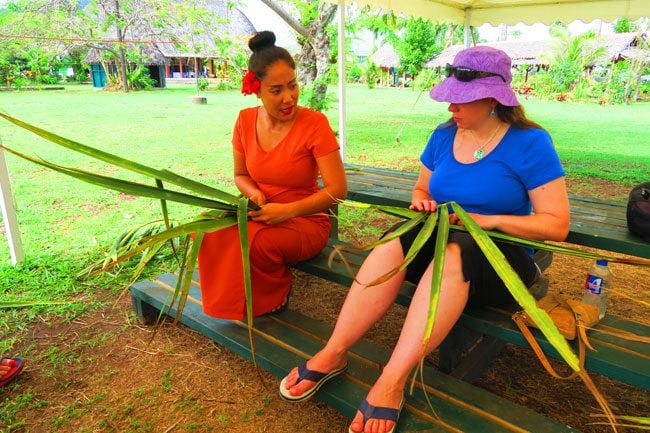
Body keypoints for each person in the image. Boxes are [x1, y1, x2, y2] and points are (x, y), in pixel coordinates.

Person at [279, 46, 570, 433]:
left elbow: (556, 225)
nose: (451, 107)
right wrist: (422, 201)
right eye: (450, 97)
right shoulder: (444, 135)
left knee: (455, 251)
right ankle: (334, 352)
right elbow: (422, 186)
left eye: (461, 99)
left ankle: (392, 380)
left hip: (501, 258)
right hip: (441, 238)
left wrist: (490, 220)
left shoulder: (530, 143)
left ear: (493, 99)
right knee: (391, 241)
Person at [196, 31, 347, 320]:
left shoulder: (315, 124)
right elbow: (240, 175)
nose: (289, 97)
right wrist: (254, 195)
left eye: (293, 86)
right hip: (261, 211)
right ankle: (235, 301)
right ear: (257, 90)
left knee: (259, 244)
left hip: (304, 220)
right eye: (276, 90)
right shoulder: (244, 120)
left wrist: (287, 211)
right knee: (208, 228)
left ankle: (273, 295)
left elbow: (338, 190)